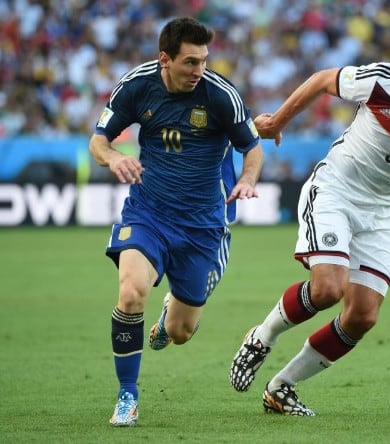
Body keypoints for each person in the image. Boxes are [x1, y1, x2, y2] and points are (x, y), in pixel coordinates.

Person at [229, 27, 390, 416]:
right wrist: (278, 122)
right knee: (328, 289)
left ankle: (282, 386)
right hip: (336, 189)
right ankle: (262, 336)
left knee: (362, 316)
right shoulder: (384, 81)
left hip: (385, 211)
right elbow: (322, 80)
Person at [88, 17, 265, 426]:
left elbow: (252, 148)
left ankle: (172, 313)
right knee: (131, 293)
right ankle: (127, 396)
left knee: (182, 332)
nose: (199, 70)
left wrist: (248, 179)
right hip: (149, 212)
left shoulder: (221, 95)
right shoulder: (136, 86)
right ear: (164, 59)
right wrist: (115, 157)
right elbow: (98, 140)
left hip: (203, 226)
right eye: (189, 62)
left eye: (203, 60)